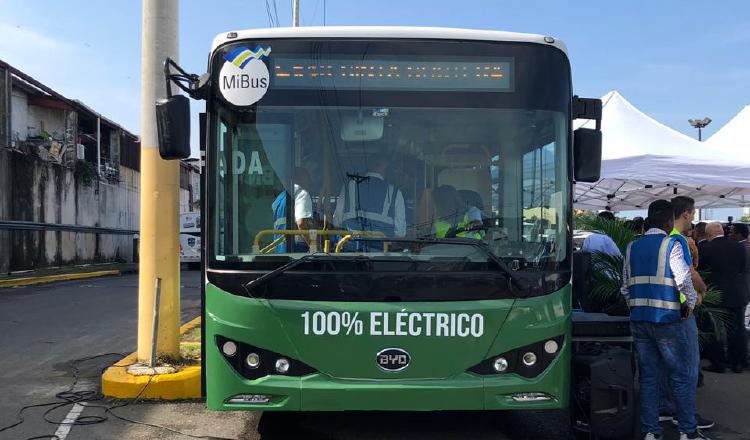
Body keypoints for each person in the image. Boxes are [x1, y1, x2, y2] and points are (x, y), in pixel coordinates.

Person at [622, 199, 707, 440]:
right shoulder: (672, 245)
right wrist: (689, 305)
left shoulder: (631, 247)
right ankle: (688, 431)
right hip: (669, 320)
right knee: (680, 376)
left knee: (649, 377)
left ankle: (651, 431)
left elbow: (624, 288)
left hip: (640, 321)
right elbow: (683, 280)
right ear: (670, 221)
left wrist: (637, 308)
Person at [699, 222, 749, 374]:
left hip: (716, 295)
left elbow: (701, 271)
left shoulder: (706, 249)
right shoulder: (740, 247)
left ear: (709, 235)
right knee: (737, 329)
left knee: (714, 330)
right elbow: (742, 268)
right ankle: (737, 363)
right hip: (738, 294)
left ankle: (718, 363)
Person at [333, 155, 406, 247]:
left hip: (349, 252)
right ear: (385, 166)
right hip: (382, 256)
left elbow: (336, 221)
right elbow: (400, 233)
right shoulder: (395, 193)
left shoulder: (349, 187)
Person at [271, 167, 314, 253]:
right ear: (301, 178)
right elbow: (301, 224)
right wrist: (314, 247)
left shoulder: (279, 199)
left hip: (279, 251)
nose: (310, 182)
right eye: (308, 177)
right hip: (297, 250)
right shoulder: (302, 194)